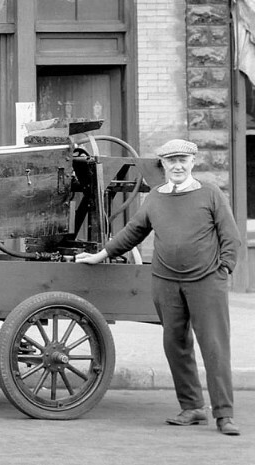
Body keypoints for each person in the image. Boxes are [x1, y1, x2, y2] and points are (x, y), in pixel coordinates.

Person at [76, 138, 242, 436]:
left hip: (207, 281)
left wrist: (225, 269)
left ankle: (224, 414)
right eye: (170, 161)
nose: (177, 166)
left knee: (214, 347)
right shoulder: (155, 197)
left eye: (183, 160)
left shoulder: (210, 193)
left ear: (193, 162)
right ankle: (191, 407)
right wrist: (102, 254)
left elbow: (230, 236)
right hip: (165, 281)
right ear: (163, 165)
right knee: (175, 344)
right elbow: (133, 232)